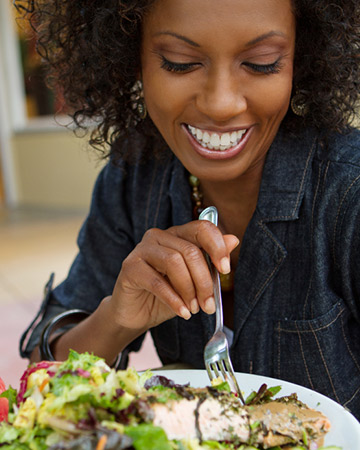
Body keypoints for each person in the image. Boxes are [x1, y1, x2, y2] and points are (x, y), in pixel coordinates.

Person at [16, 0, 360, 419]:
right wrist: (118, 319)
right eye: (180, 63)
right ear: (132, 58)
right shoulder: (136, 180)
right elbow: (43, 378)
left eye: (261, 63)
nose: (221, 103)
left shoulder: (349, 193)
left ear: (300, 61)